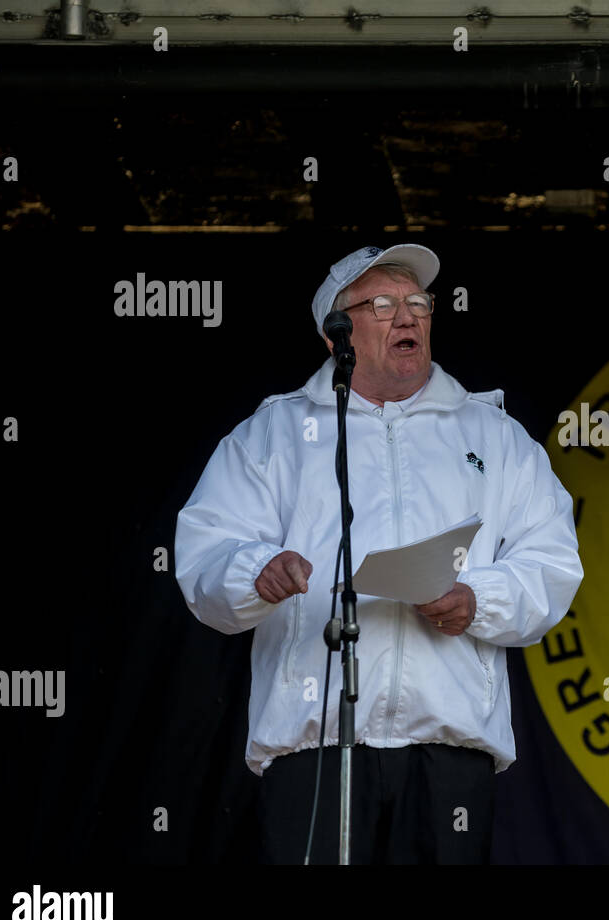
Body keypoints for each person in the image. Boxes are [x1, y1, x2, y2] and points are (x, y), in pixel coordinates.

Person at [174, 243, 583, 864]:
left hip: (449, 749)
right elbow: (204, 556)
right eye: (384, 305)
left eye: (418, 302)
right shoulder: (273, 433)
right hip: (313, 744)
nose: (409, 316)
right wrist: (257, 574)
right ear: (336, 334)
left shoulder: (496, 436)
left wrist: (478, 600)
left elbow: (552, 562)